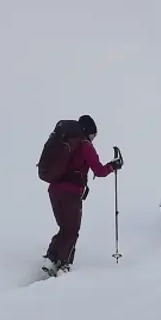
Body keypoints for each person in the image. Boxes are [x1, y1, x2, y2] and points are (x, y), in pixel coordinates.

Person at [42, 114, 122, 276]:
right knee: (72, 229)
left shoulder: (64, 142)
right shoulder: (85, 146)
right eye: (93, 135)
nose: (93, 138)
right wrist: (113, 166)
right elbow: (99, 171)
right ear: (87, 132)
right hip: (71, 193)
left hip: (54, 190)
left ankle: (51, 258)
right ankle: (63, 264)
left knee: (65, 227)